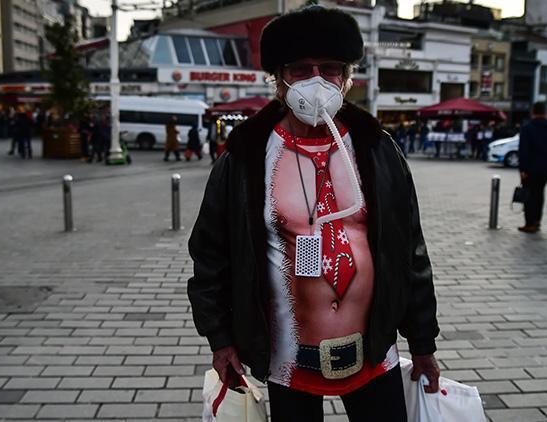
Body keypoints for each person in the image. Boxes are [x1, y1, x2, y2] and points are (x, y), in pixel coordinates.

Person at [187, 6, 440, 421]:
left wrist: (423, 342)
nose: (317, 81)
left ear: (347, 77)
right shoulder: (247, 157)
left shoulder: (377, 150)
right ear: (279, 80)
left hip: (375, 356)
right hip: (288, 363)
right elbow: (210, 256)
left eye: (330, 68)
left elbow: (409, 250)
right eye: (302, 69)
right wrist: (221, 340)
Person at [517, 101, 547, 233]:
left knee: (529, 195)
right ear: (545, 113)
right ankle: (537, 220)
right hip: (546, 169)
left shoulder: (527, 128)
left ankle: (530, 222)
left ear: (533, 112)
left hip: (530, 168)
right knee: (539, 193)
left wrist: (522, 169)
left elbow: (523, 150)